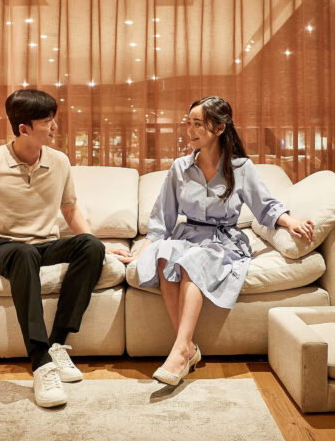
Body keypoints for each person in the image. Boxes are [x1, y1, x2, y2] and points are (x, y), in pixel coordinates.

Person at [0, 89, 127, 408]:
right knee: (24, 253)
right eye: (47, 121)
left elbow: (70, 209)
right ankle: (41, 362)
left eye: (53, 119)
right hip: (7, 248)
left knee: (91, 246)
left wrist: (100, 245)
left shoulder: (59, 161)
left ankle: (58, 344)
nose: (55, 127)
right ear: (24, 129)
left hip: (46, 244)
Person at [120, 96, 314, 385]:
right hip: (188, 235)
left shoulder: (241, 168)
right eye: (188, 123)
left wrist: (289, 220)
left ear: (220, 128)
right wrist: (140, 253)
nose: (190, 130)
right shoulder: (180, 168)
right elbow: (162, 220)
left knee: (191, 260)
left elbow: (264, 205)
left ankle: (180, 351)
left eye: (198, 124)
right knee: (164, 256)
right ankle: (186, 348)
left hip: (223, 241)